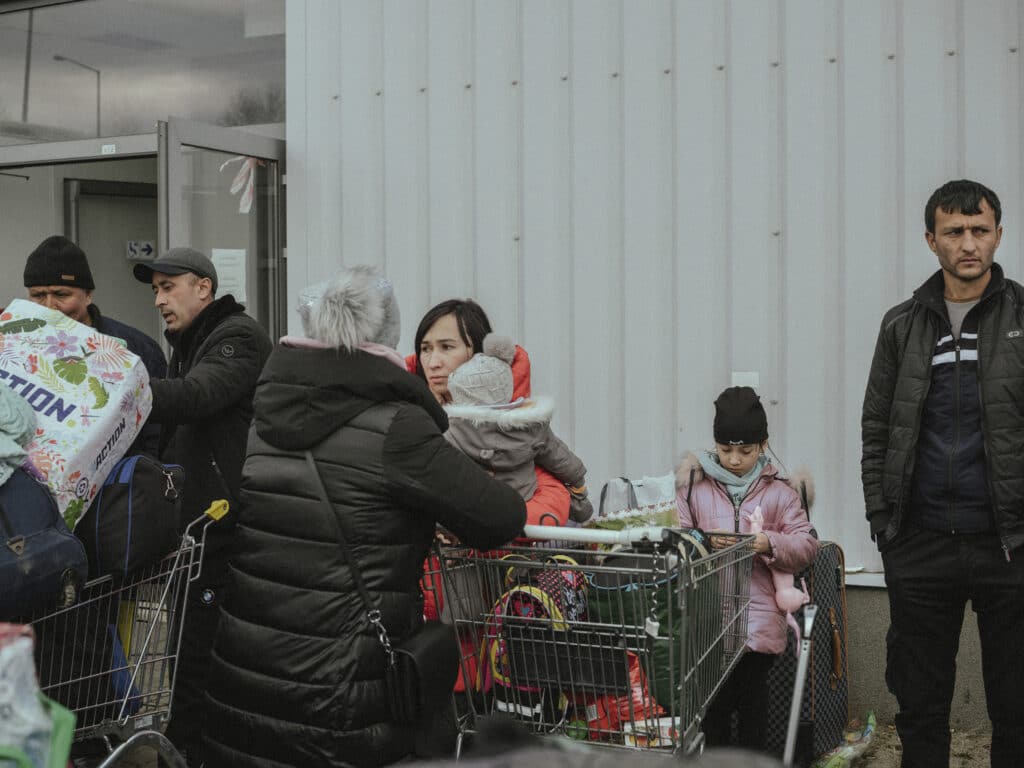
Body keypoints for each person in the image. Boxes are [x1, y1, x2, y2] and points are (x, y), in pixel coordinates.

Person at [201, 266, 526, 767]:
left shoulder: (266, 415)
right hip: (341, 694)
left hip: (245, 682)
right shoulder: (397, 425)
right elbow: (499, 517)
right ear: (387, 340)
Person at [861, 178, 1024, 768]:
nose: (969, 243)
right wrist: (886, 527)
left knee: (1016, 707)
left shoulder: (1021, 316)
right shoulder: (902, 326)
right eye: (954, 232)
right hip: (921, 545)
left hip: (1009, 547)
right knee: (921, 709)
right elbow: (877, 429)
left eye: (980, 230)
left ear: (999, 235)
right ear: (932, 240)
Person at [132, 246, 272, 763]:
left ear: (204, 288)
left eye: (170, 287)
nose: (160, 301)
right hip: (196, 528)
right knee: (188, 650)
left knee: (201, 654)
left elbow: (196, 396)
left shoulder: (235, 337)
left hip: (224, 528)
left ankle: (197, 749)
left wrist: (121, 392)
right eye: (155, 291)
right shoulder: (190, 342)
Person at [675, 386, 816, 752]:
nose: (734, 459)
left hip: (759, 620)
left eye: (745, 451)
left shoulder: (780, 493)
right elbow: (677, 535)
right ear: (715, 444)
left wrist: (769, 542)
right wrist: (699, 543)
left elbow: (806, 545)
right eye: (725, 451)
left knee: (754, 705)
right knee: (714, 710)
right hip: (708, 623)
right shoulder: (693, 488)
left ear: (763, 445)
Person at [411, 298, 572, 527]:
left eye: (447, 347)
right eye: (425, 349)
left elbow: (551, 493)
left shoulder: (515, 423)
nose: (433, 362)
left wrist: (487, 523)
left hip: (500, 555)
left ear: (478, 353)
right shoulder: (404, 412)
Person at [24, 234, 166, 455]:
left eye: (61, 294)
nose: (50, 306)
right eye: (38, 295)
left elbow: (158, 433)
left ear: (88, 295)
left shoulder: (136, 349)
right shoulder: (16, 347)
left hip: (121, 483)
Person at [444, 332, 593, 522]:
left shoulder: (454, 431)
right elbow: (561, 460)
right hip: (525, 504)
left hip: (475, 512)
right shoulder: (529, 427)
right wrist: (578, 485)